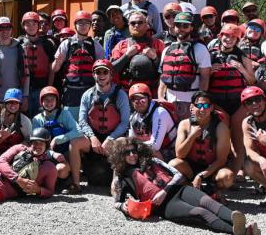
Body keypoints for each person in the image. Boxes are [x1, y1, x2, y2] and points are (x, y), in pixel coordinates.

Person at [111, 137, 260, 235]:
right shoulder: (122, 178)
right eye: (127, 153)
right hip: (165, 206)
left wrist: (164, 191)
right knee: (201, 212)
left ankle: (240, 221)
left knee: (209, 202)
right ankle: (242, 232)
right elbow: (116, 202)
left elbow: (177, 175)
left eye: (134, 151)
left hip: (179, 190)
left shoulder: (153, 161)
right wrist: (124, 207)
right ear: (120, 155)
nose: (132, 155)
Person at [69, 59, 130, 188]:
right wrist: (92, 137)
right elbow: (82, 121)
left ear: (111, 75)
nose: (101, 75)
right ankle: (76, 184)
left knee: (122, 142)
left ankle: (115, 186)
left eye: (105, 72)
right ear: (93, 74)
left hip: (113, 137)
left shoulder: (120, 94)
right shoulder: (87, 95)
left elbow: (125, 123)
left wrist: (111, 138)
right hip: (94, 136)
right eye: (98, 72)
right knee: (75, 143)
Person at [204, 21, 254, 162]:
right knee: (222, 134)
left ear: (237, 40)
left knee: (238, 135)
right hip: (218, 102)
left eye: (233, 37)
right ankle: (223, 163)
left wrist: (241, 69)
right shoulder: (210, 55)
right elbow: (201, 77)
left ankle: (239, 167)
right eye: (226, 36)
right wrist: (209, 71)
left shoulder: (243, 56)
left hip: (238, 103)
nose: (229, 39)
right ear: (220, 36)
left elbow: (251, 81)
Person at [170, 91, 234, 193]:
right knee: (173, 164)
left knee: (227, 177)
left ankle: (214, 191)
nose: (202, 109)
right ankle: (191, 188)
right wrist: (191, 136)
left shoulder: (221, 128)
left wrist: (202, 175)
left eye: (206, 105)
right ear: (192, 107)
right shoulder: (184, 124)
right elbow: (179, 154)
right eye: (199, 105)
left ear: (212, 108)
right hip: (190, 168)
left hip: (212, 169)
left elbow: (221, 160)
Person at [157, 10, 214, 121]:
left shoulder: (200, 49)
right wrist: (160, 97)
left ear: (191, 28)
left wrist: (198, 103)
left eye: (185, 25)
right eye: (178, 25)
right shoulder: (167, 49)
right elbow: (163, 77)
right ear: (174, 27)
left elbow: (205, 78)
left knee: (190, 134)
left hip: (191, 102)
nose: (181, 28)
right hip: (169, 101)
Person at [51, 10, 106, 118]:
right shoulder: (66, 44)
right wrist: (57, 61)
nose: (84, 26)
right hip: (71, 92)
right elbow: (55, 69)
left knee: (89, 123)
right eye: (80, 23)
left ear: (90, 25)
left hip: (90, 91)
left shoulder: (96, 46)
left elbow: (102, 71)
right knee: (71, 124)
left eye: (87, 23)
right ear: (75, 25)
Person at [31, 85, 84, 175]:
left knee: (60, 171)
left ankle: (70, 172)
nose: (49, 103)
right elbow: (35, 144)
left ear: (57, 101)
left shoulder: (65, 114)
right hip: (45, 154)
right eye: (46, 100)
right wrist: (52, 153)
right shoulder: (37, 119)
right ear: (41, 102)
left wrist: (57, 139)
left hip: (65, 153)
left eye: (52, 99)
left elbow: (78, 131)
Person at [110, 10, 166, 92]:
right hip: (126, 91)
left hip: (152, 92)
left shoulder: (158, 44)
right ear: (129, 25)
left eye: (140, 22)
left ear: (146, 25)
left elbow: (167, 71)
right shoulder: (121, 45)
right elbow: (111, 70)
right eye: (133, 23)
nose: (136, 25)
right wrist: (126, 56)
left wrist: (155, 58)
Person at [19, 12, 55, 115]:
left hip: (42, 87)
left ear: (38, 25)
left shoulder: (47, 43)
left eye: (34, 24)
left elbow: (51, 68)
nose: (31, 27)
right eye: (28, 24)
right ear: (23, 26)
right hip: (24, 89)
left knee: (41, 117)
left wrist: (49, 88)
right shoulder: (18, 43)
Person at [126, 83, 176, 157]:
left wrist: (134, 147)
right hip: (148, 148)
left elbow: (155, 146)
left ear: (149, 99)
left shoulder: (160, 113)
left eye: (142, 100)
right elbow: (131, 140)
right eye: (135, 101)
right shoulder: (133, 117)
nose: (139, 103)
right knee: (121, 144)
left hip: (170, 151)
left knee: (151, 152)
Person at [0, 88, 33, 161]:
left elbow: (30, 140)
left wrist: (21, 146)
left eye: (16, 103)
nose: (13, 105)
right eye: (10, 102)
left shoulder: (24, 120)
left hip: (17, 153)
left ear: (20, 105)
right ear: (5, 103)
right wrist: (1, 138)